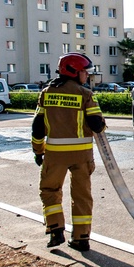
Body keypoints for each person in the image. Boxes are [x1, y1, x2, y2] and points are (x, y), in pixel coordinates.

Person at [32, 53, 106, 252]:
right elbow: (97, 125)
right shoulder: (85, 93)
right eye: (84, 72)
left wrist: (38, 151)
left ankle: (56, 230)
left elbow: (38, 127)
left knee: (50, 191)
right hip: (82, 156)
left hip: (55, 155)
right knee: (82, 195)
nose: (87, 76)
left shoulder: (47, 93)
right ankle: (81, 238)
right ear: (74, 72)